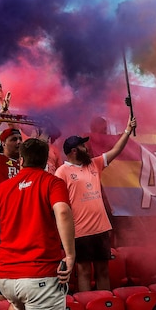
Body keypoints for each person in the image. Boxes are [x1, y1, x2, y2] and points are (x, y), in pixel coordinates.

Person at [0, 138, 75, 310]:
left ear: (21, 160)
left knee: (18, 306)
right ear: (44, 161)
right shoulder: (52, 182)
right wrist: (70, 254)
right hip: (40, 276)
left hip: (7, 279)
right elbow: (63, 212)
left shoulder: (1, 189)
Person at [54, 116, 136, 292]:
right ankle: (86, 307)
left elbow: (116, 150)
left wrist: (128, 130)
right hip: (79, 231)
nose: (87, 148)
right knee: (83, 272)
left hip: (101, 228)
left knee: (103, 271)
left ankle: (103, 305)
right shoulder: (62, 172)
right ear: (74, 151)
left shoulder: (94, 164)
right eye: (83, 146)